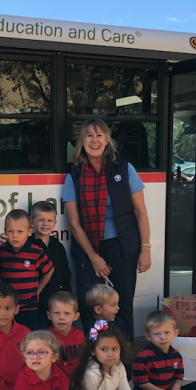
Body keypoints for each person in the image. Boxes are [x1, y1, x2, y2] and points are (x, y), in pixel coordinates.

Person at [65, 118, 152, 341]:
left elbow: (140, 211)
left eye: (99, 135)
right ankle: (94, 359)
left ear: (107, 140)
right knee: (90, 306)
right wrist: (94, 257)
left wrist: (145, 249)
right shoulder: (74, 177)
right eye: (89, 136)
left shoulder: (124, 169)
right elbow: (74, 223)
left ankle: (125, 363)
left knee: (121, 305)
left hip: (122, 247)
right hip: (89, 250)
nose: (94, 140)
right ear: (82, 142)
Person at [0, 209, 54, 331]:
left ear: (29, 232)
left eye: (20, 231)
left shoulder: (36, 252)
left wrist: (38, 291)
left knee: (28, 339)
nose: (15, 236)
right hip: (6, 307)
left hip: (29, 307)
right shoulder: (0, 251)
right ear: (5, 232)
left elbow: (49, 270)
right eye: (11, 231)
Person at [31, 201, 72, 329]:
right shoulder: (28, 245)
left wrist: (66, 295)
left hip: (57, 305)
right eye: (41, 220)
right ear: (32, 222)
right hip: (36, 305)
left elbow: (66, 273)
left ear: (55, 223)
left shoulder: (58, 247)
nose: (45, 224)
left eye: (49, 220)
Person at [45, 291, 86, 379]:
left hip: (77, 381)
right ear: (49, 315)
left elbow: (85, 360)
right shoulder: (45, 338)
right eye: (56, 313)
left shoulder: (80, 336)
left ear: (76, 316)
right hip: (55, 382)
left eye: (67, 313)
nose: (61, 318)